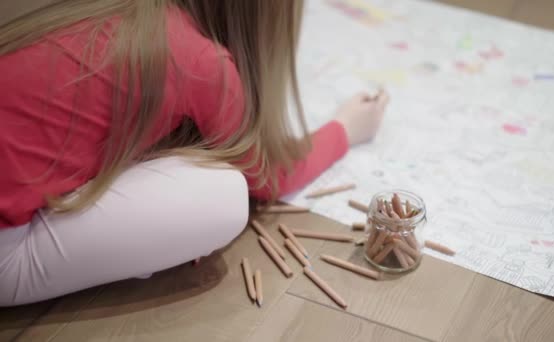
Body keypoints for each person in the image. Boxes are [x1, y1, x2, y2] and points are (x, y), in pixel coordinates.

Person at [0, 0, 389, 306]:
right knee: (226, 193)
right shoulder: (203, 62)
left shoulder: (117, 14)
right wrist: (345, 129)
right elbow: (269, 178)